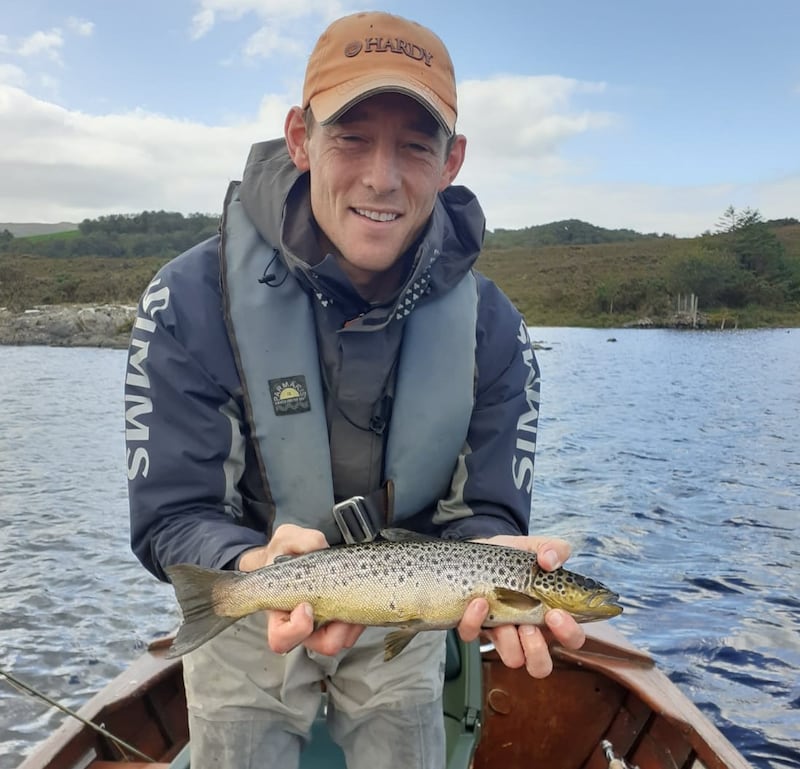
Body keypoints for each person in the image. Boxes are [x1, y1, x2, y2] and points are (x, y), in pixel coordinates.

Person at [125, 10, 585, 769]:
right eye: (351, 137)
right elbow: (173, 515)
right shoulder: (189, 301)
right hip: (249, 598)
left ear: (452, 160)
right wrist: (246, 568)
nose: (381, 177)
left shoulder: (495, 329)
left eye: (416, 145)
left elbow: (489, 509)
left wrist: (488, 549)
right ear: (299, 139)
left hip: (411, 605)